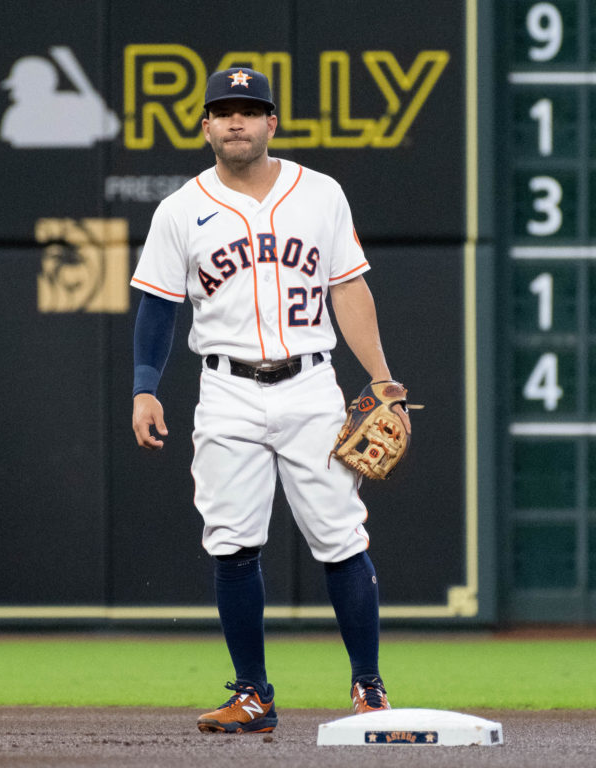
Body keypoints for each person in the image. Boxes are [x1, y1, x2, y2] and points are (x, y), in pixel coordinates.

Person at [130, 67, 411, 734]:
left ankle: (369, 687)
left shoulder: (320, 194)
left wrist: (382, 382)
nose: (236, 121)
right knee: (231, 543)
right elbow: (158, 307)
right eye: (224, 111)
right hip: (225, 387)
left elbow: (348, 290)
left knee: (340, 537)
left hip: (312, 382)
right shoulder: (179, 210)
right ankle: (253, 695)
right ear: (204, 126)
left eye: (249, 110)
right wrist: (144, 387)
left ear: (270, 123)